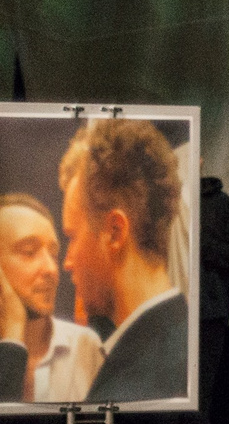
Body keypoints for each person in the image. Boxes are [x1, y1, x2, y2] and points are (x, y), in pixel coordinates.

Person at [58, 118, 190, 405]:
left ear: (115, 232)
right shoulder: (183, 341)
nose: (67, 262)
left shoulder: (128, 391)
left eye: (72, 236)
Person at [159, 175, 229, 424]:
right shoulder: (153, 195)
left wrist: (195, 236)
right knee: (166, 396)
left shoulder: (218, 201)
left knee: (200, 396)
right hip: (164, 309)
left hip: (209, 309)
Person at [0, 194, 102, 402]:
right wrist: (12, 336)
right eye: (29, 252)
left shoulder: (85, 347)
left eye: (54, 254)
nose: (51, 269)